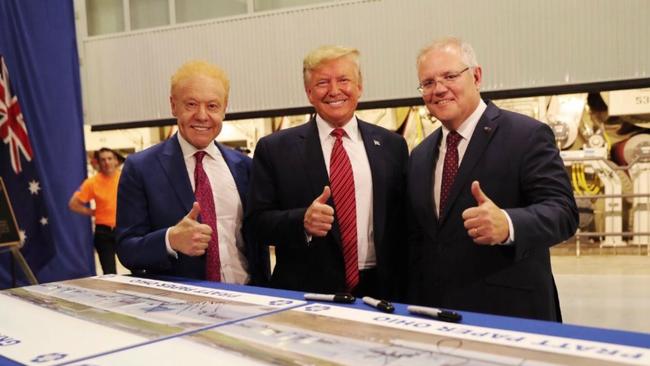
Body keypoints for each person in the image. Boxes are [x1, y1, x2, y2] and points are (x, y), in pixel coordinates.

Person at [407, 37, 578, 321]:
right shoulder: (421, 155)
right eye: (427, 83)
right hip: (439, 315)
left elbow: (564, 211)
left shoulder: (526, 135)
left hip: (510, 313)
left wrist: (509, 224)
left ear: (476, 76)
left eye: (450, 76)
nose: (438, 89)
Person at [246, 45, 408, 299]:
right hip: (307, 292)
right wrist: (302, 222)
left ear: (360, 86)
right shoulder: (275, 149)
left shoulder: (392, 146)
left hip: (381, 290)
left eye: (344, 80)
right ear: (309, 93)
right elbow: (256, 223)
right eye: (323, 82)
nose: (334, 91)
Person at [116, 60, 269, 285]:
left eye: (212, 106)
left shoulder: (245, 167)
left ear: (225, 108)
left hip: (248, 299)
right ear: (173, 105)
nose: (202, 115)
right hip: (181, 308)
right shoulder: (140, 168)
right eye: (191, 104)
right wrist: (170, 240)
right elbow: (127, 249)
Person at [69, 148, 124, 274]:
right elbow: (73, 204)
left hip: (124, 229)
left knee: (136, 268)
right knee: (109, 273)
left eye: (110, 159)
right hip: (103, 232)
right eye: (103, 159)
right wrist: (92, 212)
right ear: (98, 163)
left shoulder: (125, 177)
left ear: (116, 161)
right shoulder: (92, 182)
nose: (107, 162)